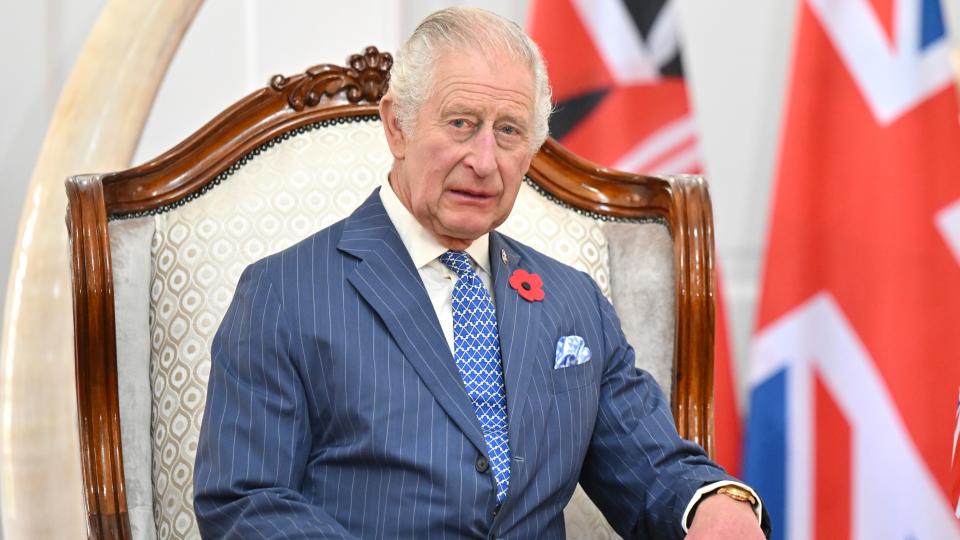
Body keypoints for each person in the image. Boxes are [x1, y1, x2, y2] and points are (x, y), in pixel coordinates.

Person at [193, 7, 771, 539]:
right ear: (397, 127)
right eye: (462, 123)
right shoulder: (284, 293)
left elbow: (651, 468)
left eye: (509, 131)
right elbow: (246, 501)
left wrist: (712, 501)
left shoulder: (572, 302)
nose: (485, 161)